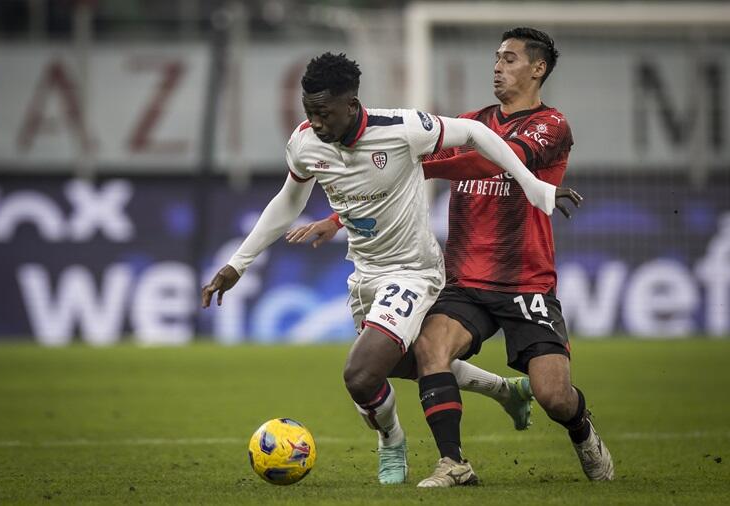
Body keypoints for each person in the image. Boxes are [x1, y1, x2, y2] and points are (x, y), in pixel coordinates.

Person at [202, 52, 581, 485]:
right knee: (401, 364)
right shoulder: (305, 143)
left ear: (351, 104)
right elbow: (288, 201)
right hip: (364, 274)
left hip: (413, 271)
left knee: (360, 374)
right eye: (309, 113)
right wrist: (237, 264)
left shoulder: (402, 128)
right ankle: (505, 390)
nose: (316, 123)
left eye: (324, 113)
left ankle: (392, 441)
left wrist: (533, 185)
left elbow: (476, 133)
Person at [290, 29, 613, 487]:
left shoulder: (550, 125)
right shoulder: (470, 122)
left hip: (525, 281)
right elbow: (386, 182)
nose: (497, 67)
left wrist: (411, 163)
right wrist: (337, 217)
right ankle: (453, 463)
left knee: (554, 397)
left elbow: (493, 161)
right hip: (465, 280)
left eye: (510, 59)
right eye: (496, 58)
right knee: (429, 351)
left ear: (538, 68)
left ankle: (582, 431)